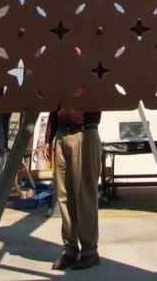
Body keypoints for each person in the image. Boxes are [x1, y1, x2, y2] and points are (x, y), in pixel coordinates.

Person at [43, 106, 102, 270]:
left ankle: (89, 250)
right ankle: (69, 249)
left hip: (84, 132)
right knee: (64, 195)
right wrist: (49, 137)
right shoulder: (58, 80)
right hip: (62, 134)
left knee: (85, 194)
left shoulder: (92, 78)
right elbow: (54, 103)